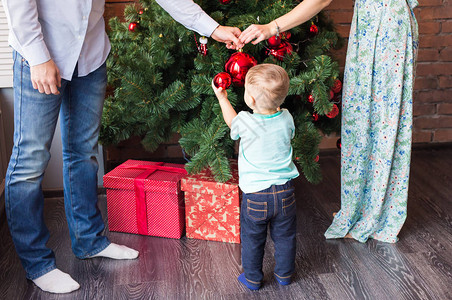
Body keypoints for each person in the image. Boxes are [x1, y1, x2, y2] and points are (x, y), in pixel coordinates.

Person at [2, 0, 242, 294]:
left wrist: (212, 28)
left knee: (85, 154)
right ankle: (37, 264)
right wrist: (38, 57)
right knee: (30, 162)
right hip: (39, 55)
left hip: (90, 57)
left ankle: (90, 241)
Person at [238, 0, 419, 243]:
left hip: (386, 28)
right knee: (362, 119)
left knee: (383, 120)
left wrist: (272, 27)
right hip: (373, 24)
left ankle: (377, 211)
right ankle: (363, 207)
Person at [212, 64, 299, 290]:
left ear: (250, 99)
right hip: (285, 192)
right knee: (285, 237)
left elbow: (231, 122)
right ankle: (284, 275)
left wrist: (222, 98)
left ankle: (252, 278)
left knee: (253, 239)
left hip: (256, 196)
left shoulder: (245, 121)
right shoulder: (287, 118)